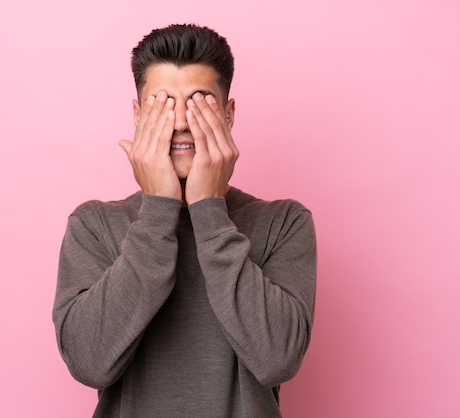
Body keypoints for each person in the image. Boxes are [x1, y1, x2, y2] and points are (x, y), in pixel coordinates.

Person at [53, 23, 317, 417]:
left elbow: (277, 359)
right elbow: (90, 363)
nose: (179, 123)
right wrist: (158, 209)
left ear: (228, 114)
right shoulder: (95, 225)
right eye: (162, 103)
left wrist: (209, 208)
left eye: (198, 103)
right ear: (138, 114)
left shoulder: (283, 222)